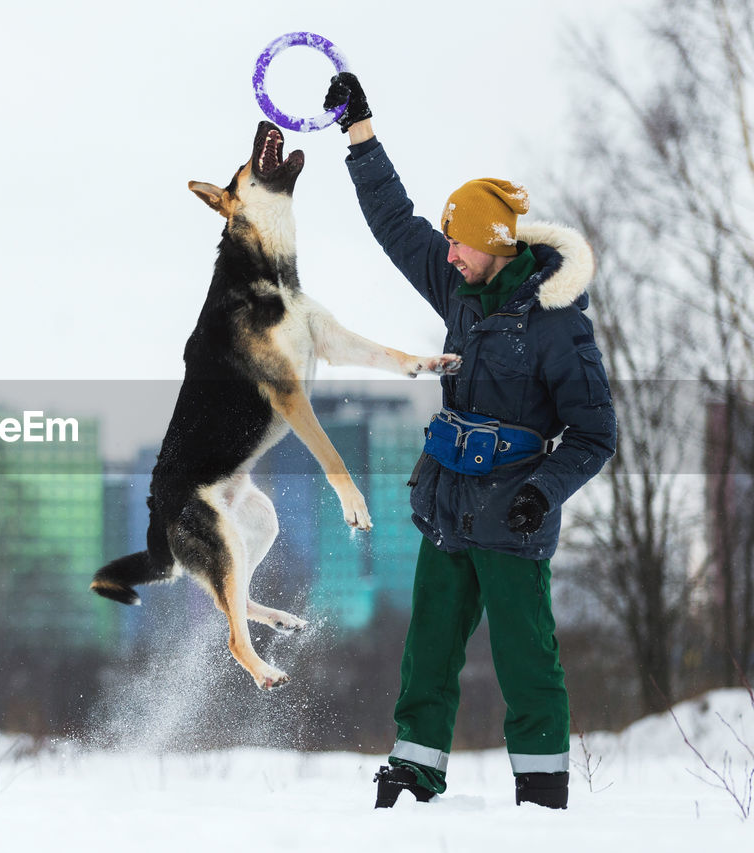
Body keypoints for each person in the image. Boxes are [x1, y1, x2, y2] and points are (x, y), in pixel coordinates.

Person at [322, 73, 617, 810]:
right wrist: (359, 133)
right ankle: (415, 770)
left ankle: (543, 791)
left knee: (526, 662)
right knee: (428, 653)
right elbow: (396, 222)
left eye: (460, 243)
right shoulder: (458, 286)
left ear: (492, 244)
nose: (448, 253)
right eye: (449, 241)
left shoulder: (557, 323)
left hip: (513, 515)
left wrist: (541, 493)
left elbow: (594, 432)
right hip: (449, 504)